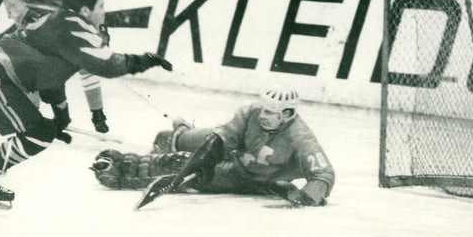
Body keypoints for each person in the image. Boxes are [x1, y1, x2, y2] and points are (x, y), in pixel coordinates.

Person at [0, 0, 173, 207]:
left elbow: (50, 76)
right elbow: (108, 64)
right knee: (37, 134)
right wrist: (146, 59)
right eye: (101, 5)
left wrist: (61, 116)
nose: (103, 11)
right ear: (86, 11)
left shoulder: (60, 19)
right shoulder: (75, 27)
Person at [92, 84, 336, 207]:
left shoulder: (301, 138)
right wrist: (206, 155)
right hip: (234, 147)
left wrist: (307, 197)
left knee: (184, 168)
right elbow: (224, 137)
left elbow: (324, 174)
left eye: (271, 113)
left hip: (246, 176)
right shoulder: (252, 112)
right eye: (263, 108)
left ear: (287, 114)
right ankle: (180, 133)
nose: (263, 115)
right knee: (173, 139)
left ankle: (132, 168)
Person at [2, 0, 111, 134]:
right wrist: (27, 18)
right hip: (33, 10)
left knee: (87, 54)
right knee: (32, 65)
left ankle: (98, 114)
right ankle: (36, 115)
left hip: (62, 12)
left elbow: (92, 4)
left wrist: (99, 28)